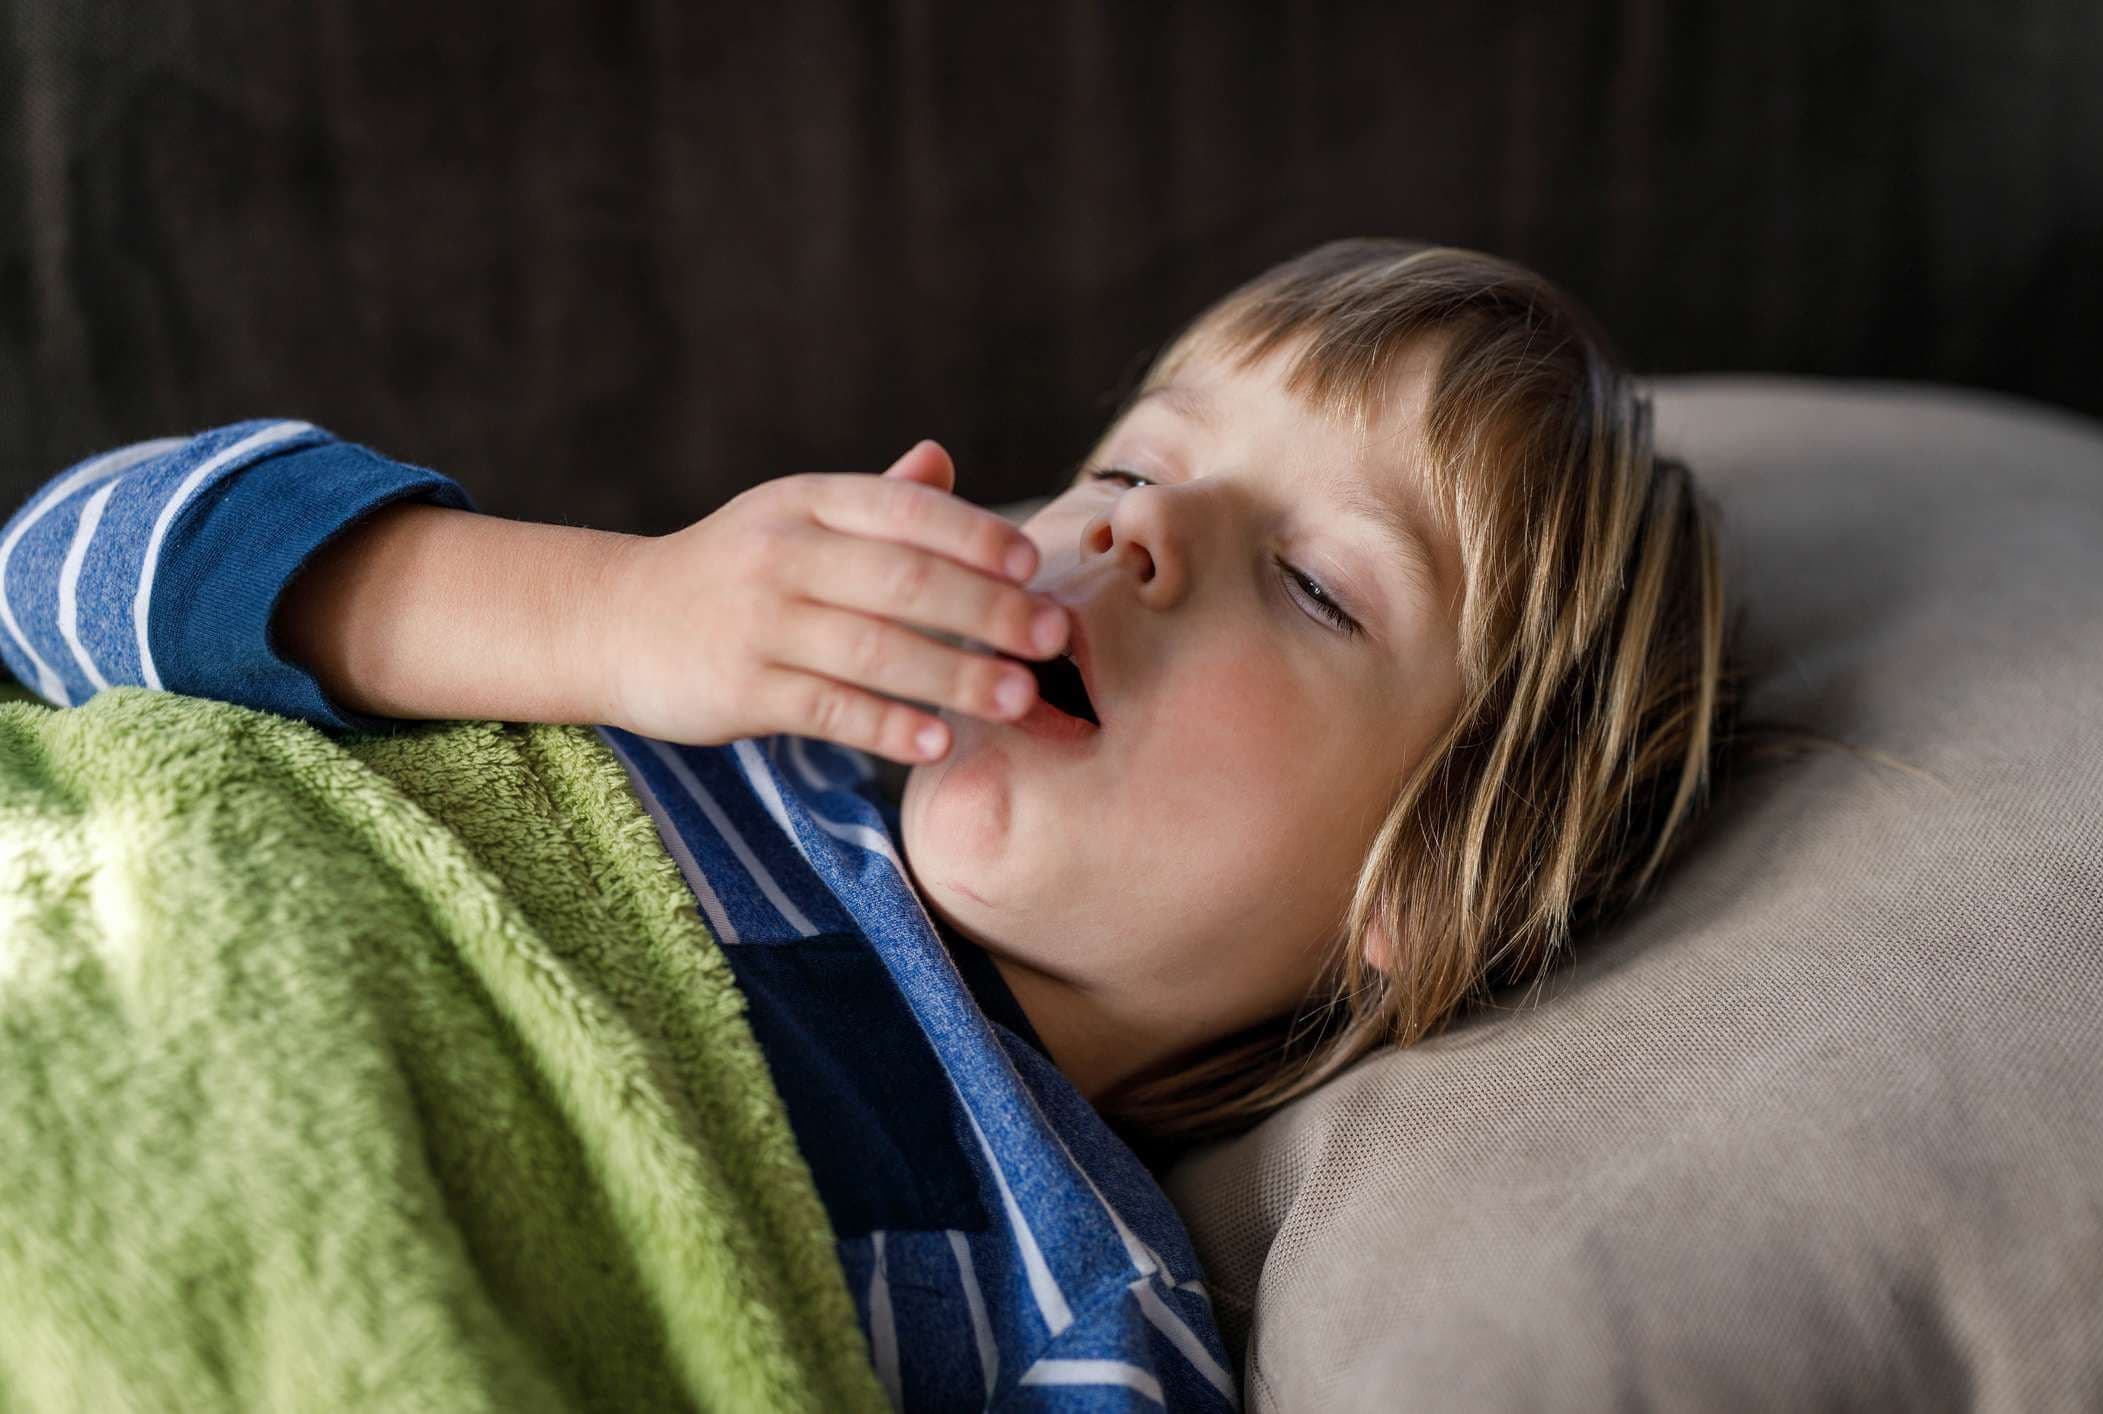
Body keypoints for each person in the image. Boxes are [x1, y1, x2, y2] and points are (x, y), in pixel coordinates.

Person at [0, 237, 1749, 1410]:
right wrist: (604, 615)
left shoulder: (1088, 1302)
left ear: (1426, 886)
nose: (1138, 532)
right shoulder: (663, 692)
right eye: (1132, 466)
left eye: (1311, 584)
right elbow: (56, 575)